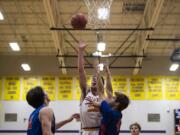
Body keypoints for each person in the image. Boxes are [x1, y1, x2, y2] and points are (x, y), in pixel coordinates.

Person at [78, 42, 113, 135]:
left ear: (101, 83)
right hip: (86, 131)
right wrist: (80, 52)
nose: (93, 80)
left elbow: (109, 90)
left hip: (100, 131)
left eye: (96, 79)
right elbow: (81, 71)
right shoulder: (85, 92)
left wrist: (108, 73)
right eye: (92, 79)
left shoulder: (104, 97)